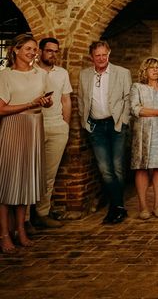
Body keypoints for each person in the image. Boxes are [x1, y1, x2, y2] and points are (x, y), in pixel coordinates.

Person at [0, 34, 52, 254]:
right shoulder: (5, 76)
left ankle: (21, 229)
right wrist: (28, 104)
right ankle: (4, 234)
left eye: (34, 49)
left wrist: (45, 103)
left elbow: (46, 103)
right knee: (7, 184)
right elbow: (1, 109)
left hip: (34, 127)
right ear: (15, 50)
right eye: (28, 49)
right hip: (13, 128)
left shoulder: (41, 74)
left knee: (25, 182)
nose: (32, 53)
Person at [78, 40, 131, 224]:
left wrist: (123, 121)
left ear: (109, 53)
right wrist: (85, 123)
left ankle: (115, 207)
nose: (101, 58)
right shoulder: (84, 75)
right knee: (105, 169)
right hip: (96, 127)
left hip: (116, 124)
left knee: (117, 167)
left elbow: (127, 98)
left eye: (104, 54)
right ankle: (118, 207)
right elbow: (81, 100)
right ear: (91, 56)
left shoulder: (122, 73)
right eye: (97, 55)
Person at [31, 37, 72, 229]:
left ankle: (42, 213)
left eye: (56, 51)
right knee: (29, 172)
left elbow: (66, 100)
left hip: (57, 127)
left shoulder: (62, 73)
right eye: (49, 51)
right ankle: (24, 218)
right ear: (40, 51)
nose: (52, 54)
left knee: (49, 174)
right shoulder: (31, 72)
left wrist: (65, 125)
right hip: (33, 126)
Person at [129, 57, 158, 220]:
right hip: (143, 133)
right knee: (141, 168)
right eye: (151, 68)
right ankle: (143, 206)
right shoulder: (138, 87)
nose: (155, 70)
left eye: (157, 67)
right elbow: (135, 109)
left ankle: (157, 205)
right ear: (144, 71)